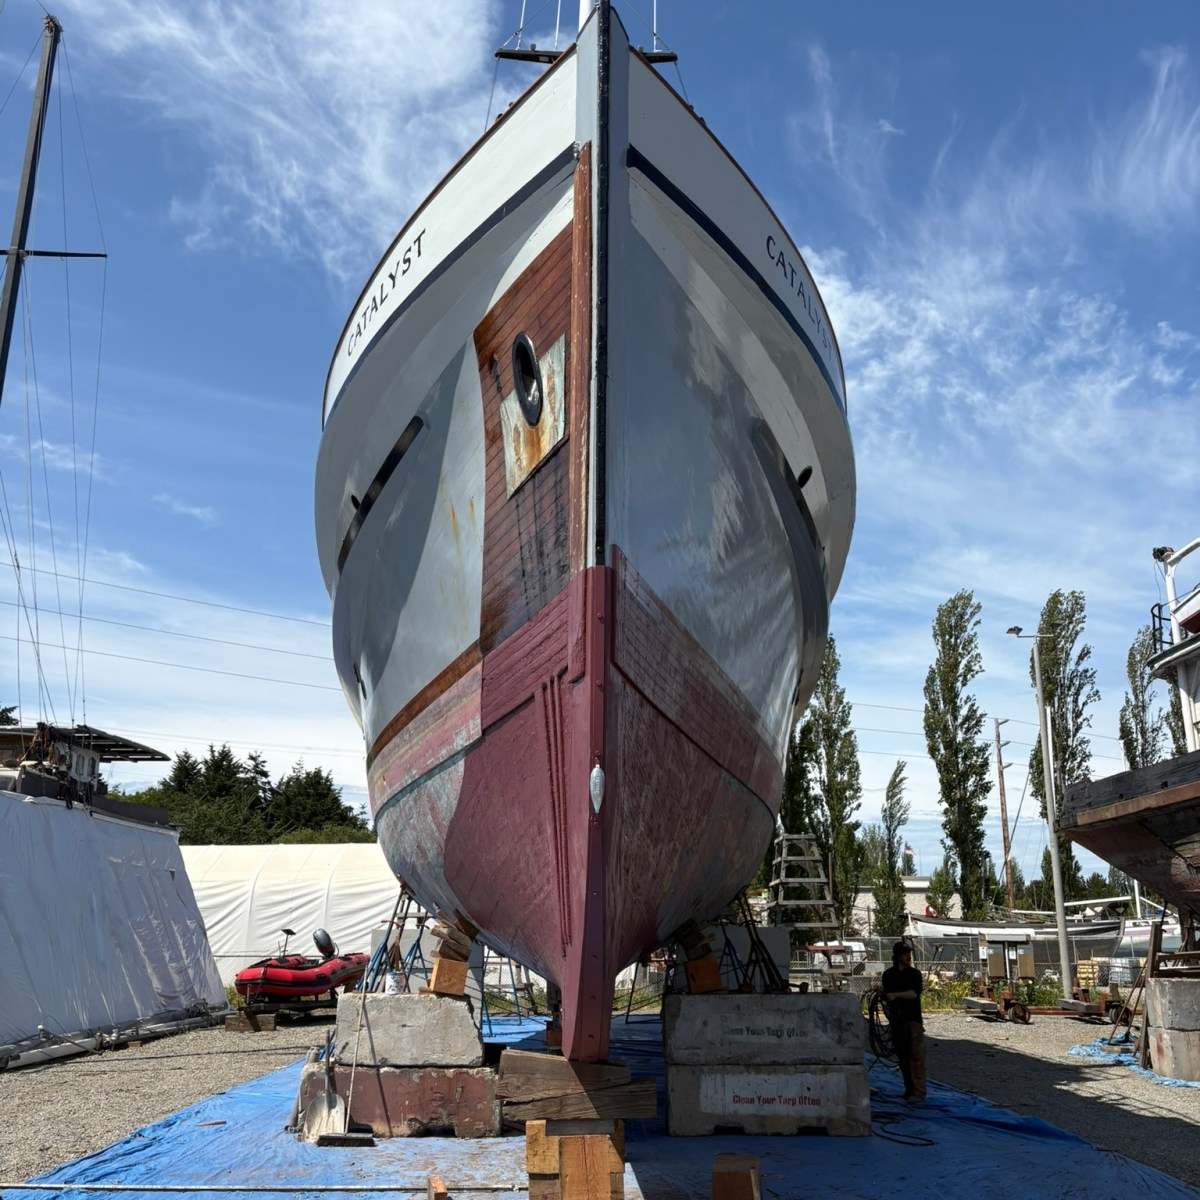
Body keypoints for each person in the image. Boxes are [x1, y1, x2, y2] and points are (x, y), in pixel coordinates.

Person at [880, 940, 926, 1102]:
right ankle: (909, 1089)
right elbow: (886, 996)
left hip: (913, 1020)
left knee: (917, 1056)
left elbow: (914, 994)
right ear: (897, 956)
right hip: (897, 1021)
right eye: (905, 954)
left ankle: (919, 1091)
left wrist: (895, 995)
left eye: (908, 954)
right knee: (903, 1056)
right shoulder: (888, 975)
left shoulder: (914, 974)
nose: (908, 957)